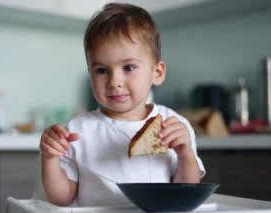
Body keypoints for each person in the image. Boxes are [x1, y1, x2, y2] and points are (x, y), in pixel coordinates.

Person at [39, 3, 205, 207]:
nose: (114, 81)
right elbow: (61, 198)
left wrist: (185, 153)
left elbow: (184, 194)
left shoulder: (173, 125)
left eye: (128, 67)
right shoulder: (76, 131)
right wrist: (49, 159)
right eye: (101, 70)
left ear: (157, 73)